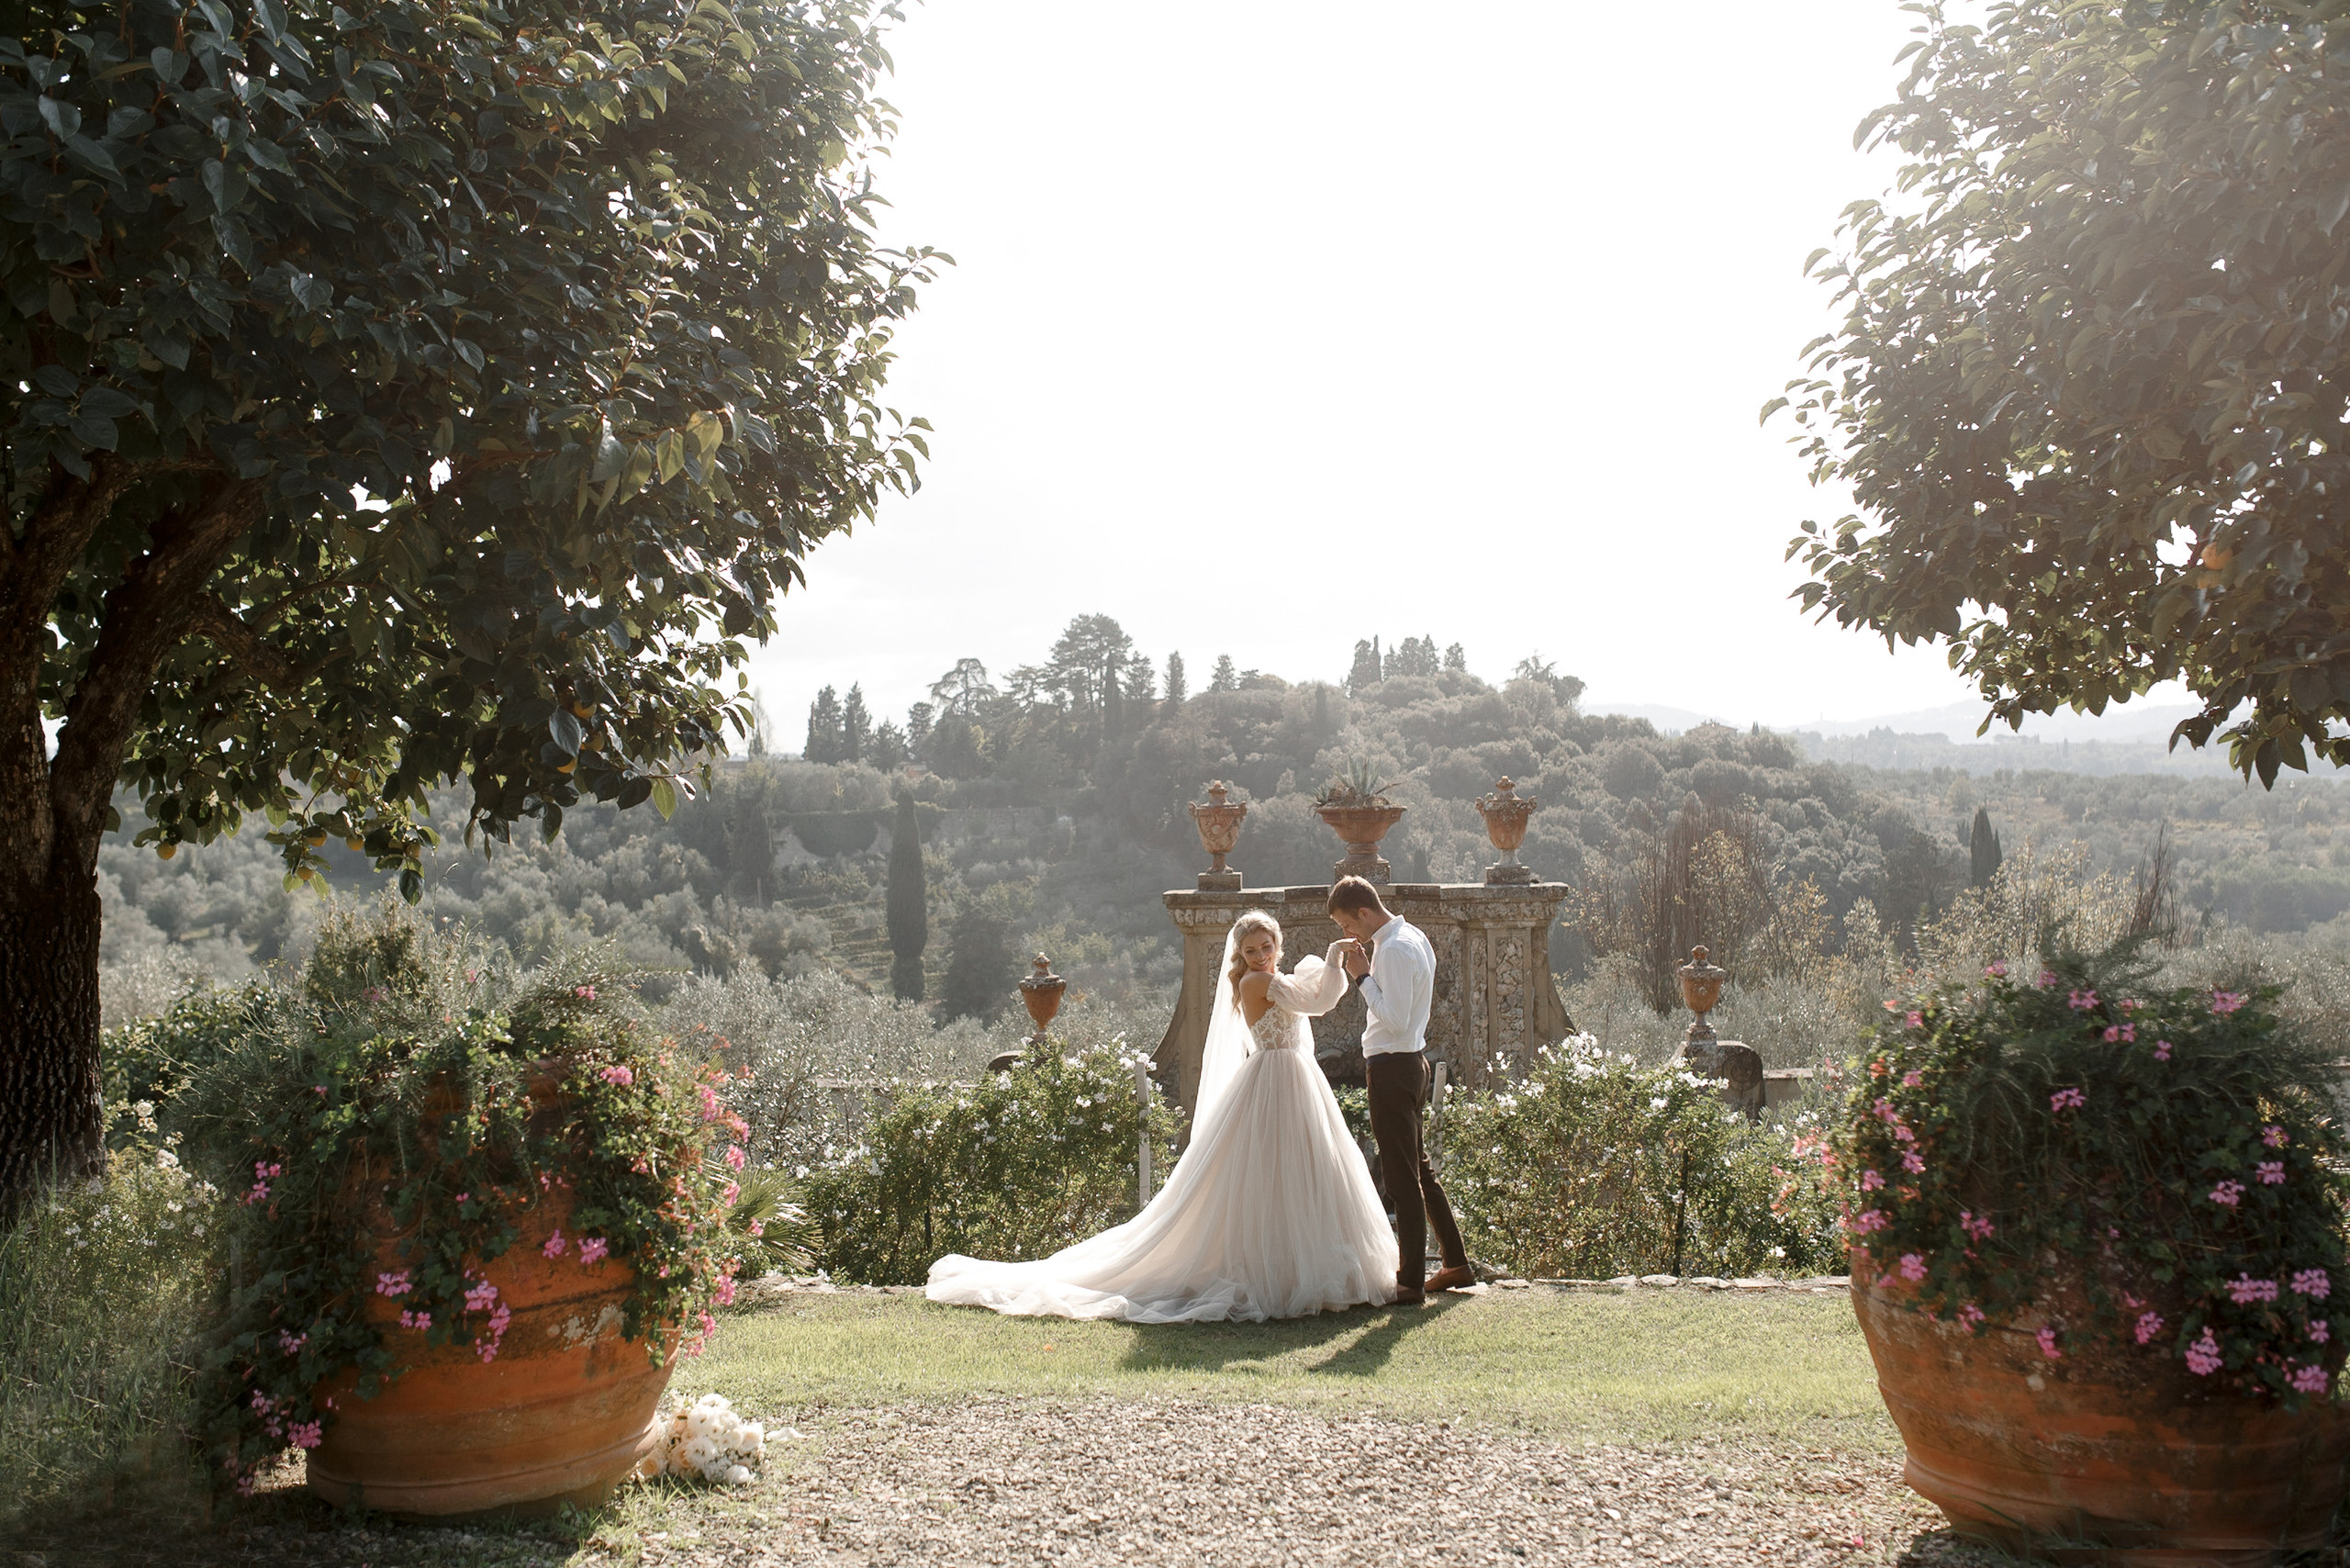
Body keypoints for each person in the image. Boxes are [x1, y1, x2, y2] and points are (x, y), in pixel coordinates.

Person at [925, 912, 1398, 1321]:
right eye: (1251, 949)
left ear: (1277, 945)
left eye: (1267, 947)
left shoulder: (1277, 978)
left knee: (1297, 1174)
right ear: (1242, 954)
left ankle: (1298, 1268)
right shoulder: (1256, 983)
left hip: (1294, 1080)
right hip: (1274, 1081)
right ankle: (1275, 1273)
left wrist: (1327, 963)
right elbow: (1318, 1001)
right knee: (1266, 1175)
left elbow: (1314, 993)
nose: (1259, 956)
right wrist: (1334, 958)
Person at [1327, 875, 1473, 1304]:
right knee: (1420, 1171)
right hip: (1412, 1063)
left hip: (1392, 1067)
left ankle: (1409, 1280)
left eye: (1345, 924)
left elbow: (1393, 1017)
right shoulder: (1414, 935)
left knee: (1401, 1179)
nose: (1346, 934)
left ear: (1364, 913)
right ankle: (1455, 1263)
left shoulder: (1389, 950)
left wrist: (1361, 976)